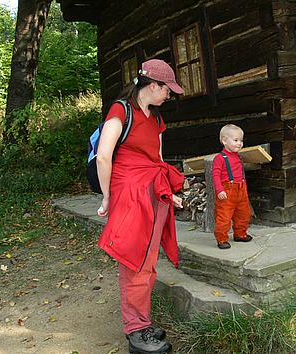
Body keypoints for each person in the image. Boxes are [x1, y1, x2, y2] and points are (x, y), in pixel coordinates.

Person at [95, 59, 184, 354]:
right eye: (166, 89)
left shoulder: (156, 118)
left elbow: (157, 161)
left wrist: (168, 193)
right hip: (129, 195)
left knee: (147, 259)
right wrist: (107, 197)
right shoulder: (121, 110)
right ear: (152, 85)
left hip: (152, 192)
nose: (169, 96)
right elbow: (103, 156)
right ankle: (136, 330)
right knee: (135, 259)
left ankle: (141, 322)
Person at [212, 124, 253, 249]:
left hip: (241, 189)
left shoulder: (238, 157)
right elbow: (215, 175)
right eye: (236, 140)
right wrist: (219, 190)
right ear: (224, 141)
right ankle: (222, 238)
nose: (239, 143)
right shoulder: (219, 158)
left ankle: (240, 234)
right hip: (227, 191)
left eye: (241, 140)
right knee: (224, 216)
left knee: (243, 214)